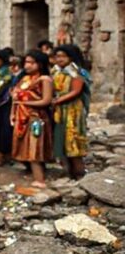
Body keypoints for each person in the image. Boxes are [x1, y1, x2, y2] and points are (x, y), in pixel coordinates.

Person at [11, 50, 54, 188]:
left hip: (36, 117)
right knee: (24, 147)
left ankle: (39, 180)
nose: (27, 65)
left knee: (34, 149)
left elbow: (46, 100)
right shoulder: (24, 79)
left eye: (31, 62)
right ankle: (33, 174)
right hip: (21, 116)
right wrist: (13, 112)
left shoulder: (45, 79)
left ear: (40, 64)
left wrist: (25, 103)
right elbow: (15, 97)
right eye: (26, 62)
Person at [52, 44, 91, 180]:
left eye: (63, 56)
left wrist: (58, 100)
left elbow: (76, 91)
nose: (59, 59)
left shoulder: (76, 72)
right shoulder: (55, 71)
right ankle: (67, 172)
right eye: (57, 56)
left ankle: (79, 173)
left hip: (72, 110)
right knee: (60, 140)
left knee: (73, 140)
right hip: (58, 111)